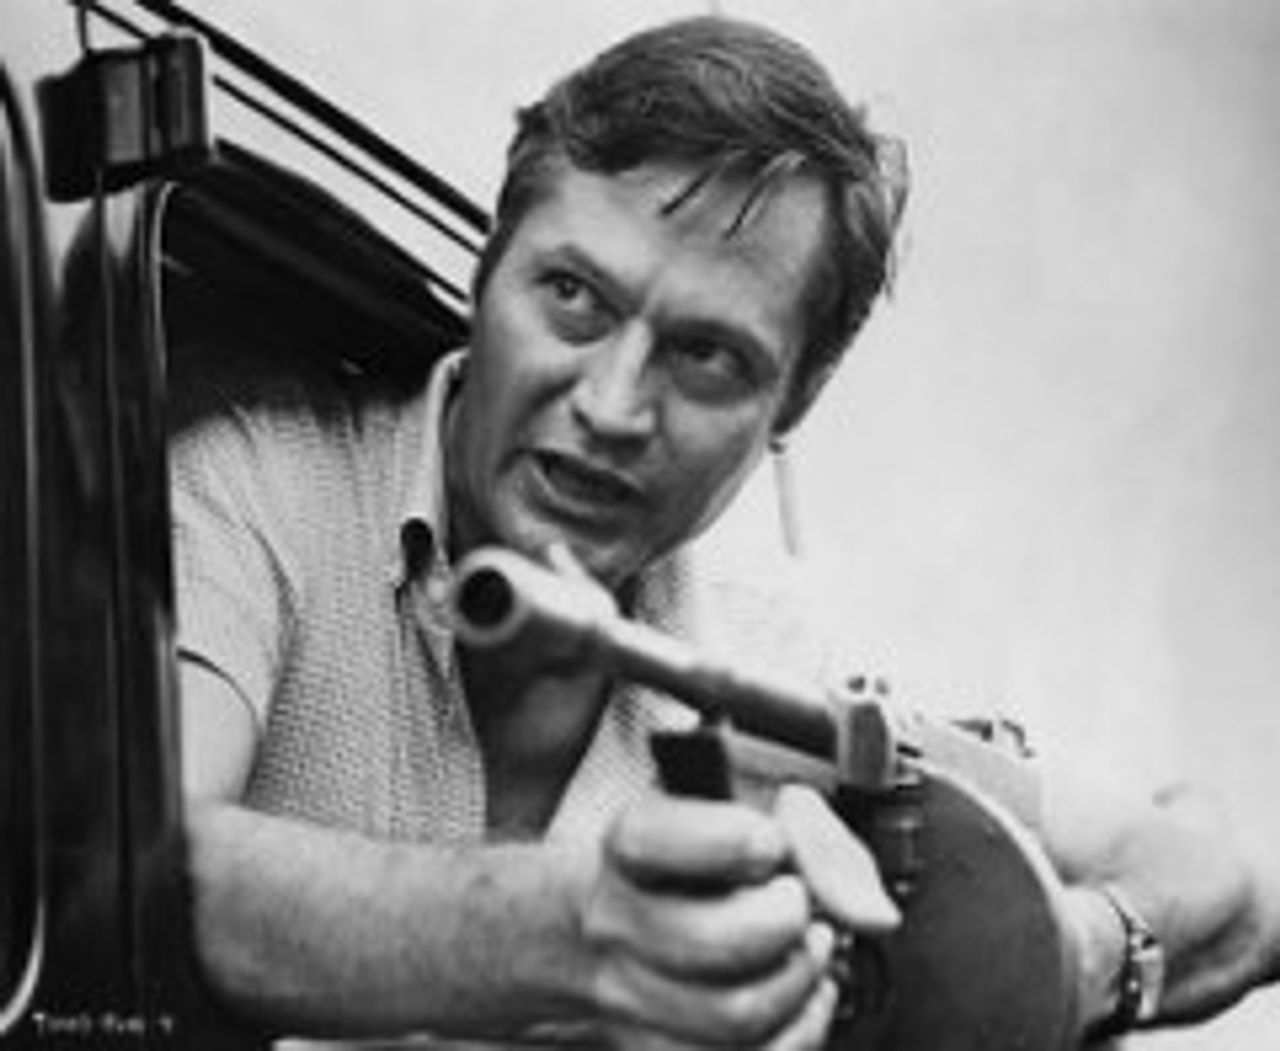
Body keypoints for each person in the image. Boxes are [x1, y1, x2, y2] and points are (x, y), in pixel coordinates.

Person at [171, 14, 1280, 1049]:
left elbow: (1230, 892)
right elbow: (145, 869)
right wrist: (570, 931)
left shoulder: (769, 664)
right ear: (485, 271)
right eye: (572, 296)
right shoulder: (252, 483)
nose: (611, 405)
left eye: (705, 356)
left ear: (791, 406)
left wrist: (1060, 959)